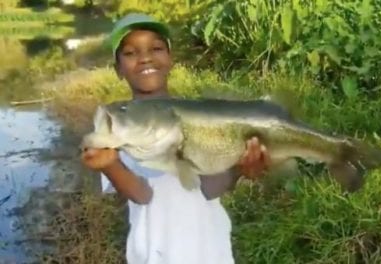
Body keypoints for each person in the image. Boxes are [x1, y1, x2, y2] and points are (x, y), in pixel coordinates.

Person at [80, 12, 270, 264]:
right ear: (118, 69)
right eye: (130, 53)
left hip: (211, 252)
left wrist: (239, 168)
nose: (145, 57)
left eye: (156, 48)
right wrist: (109, 165)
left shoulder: (194, 116)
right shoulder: (119, 122)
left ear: (170, 59)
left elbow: (209, 189)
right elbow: (141, 195)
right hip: (152, 254)